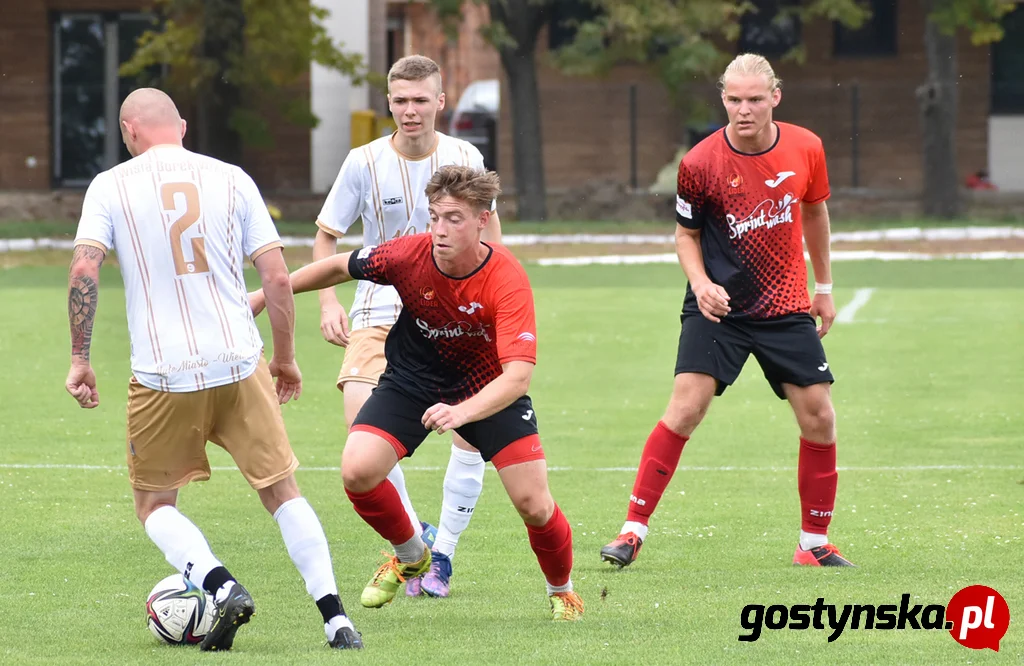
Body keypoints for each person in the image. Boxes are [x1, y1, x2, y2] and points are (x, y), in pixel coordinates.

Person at [63, 88, 363, 651]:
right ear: (180, 125)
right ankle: (335, 619)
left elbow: (85, 269)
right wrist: (286, 358)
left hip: (162, 373)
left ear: (129, 132)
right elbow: (276, 278)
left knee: (154, 505)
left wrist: (81, 358)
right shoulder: (231, 177)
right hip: (239, 361)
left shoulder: (110, 185)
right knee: (282, 491)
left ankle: (220, 587)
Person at [250, 165, 584, 620]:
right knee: (358, 470)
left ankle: (562, 591)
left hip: (487, 388)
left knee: (534, 504)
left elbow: (517, 378)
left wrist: (462, 412)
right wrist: (261, 296)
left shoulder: (506, 278)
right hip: (412, 381)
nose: (439, 230)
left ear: (483, 220)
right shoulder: (408, 254)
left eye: (454, 219)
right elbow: (336, 266)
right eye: (434, 217)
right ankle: (412, 556)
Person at [600, 53, 855, 569]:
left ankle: (813, 544)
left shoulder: (807, 146)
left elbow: (816, 211)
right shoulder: (699, 164)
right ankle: (631, 531)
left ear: (774, 99)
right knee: (686, 408)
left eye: (755, 99)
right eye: (734, 99)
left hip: (784, 304)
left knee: (820, 417)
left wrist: (823, 286)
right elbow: (685, 236)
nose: (744, 109)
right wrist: (700, 284)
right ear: (723, 99)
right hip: (719, 306)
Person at [313, 54, 501, 599]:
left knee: (470, 430)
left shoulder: (465, 155)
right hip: (380, 307)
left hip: (455, 313)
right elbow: (328, 236)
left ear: (441, 101)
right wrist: (328, 302)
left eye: (422, 100)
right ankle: (415, 537)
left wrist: (495, 306)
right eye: (401, 101)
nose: (411, 110)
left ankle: (442, 556)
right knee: (361, 429)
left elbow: (493, 236)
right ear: (389, 102)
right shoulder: (363, 162)